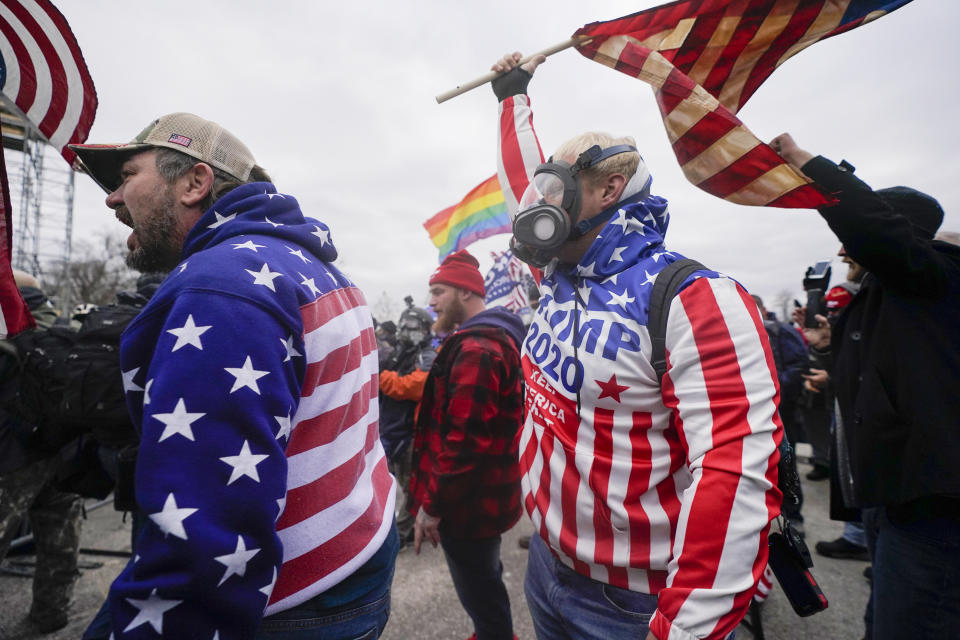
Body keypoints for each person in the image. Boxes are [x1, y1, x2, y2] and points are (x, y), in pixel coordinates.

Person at [69, 113, 397, 639]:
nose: (112, 198)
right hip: (355, 563)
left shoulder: (221, 289)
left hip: (290, 603)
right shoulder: (318, 269)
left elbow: (202, 539)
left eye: (127, 175)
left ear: (195, 183)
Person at [491, 53, 782, 640]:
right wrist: (511, 96)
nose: (534, 202)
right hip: (546, 569)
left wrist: (684, 629)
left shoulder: (697, 299)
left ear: (609, 190)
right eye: (536, 191)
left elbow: (735, 478)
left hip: (629, 603)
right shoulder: (559, 278)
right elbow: (521, 179)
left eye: (555, 189)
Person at [773, 132, 960, 640]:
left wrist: (810, 166)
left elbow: (871, 226)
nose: (840, 247)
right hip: (894, 498)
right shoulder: (894, 293)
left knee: (911, 625)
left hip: (934, 507)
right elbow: (899, 363)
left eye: (849, 236)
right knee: (883, 617)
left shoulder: (933, 271)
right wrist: (833, 351)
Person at [408, 249, 524, 640]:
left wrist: (432, 507)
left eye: (439, 291)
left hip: (469, 506)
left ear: (465, 293)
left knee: (480, 592)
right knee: (485, 583)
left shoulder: (478, 349)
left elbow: (463, 442)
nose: (431, 301)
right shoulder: (480, 341)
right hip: (481, 499)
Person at [0, 272, 82, 634]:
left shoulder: (10, 330)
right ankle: (51, 615)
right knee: (60, 543)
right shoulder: (66, 330)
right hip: (64, 453)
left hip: (14, 458)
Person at [379, 298, 436, 549]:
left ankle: (407, 532)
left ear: (424, 329)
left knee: (411, 486)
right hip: (388, 429)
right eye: (404, 326)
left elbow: (414, 386)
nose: (406, 331)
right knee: (389, 483)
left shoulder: (427, 353)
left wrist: (381, 377)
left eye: (412, 327)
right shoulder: (399, 352)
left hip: (409, 433)